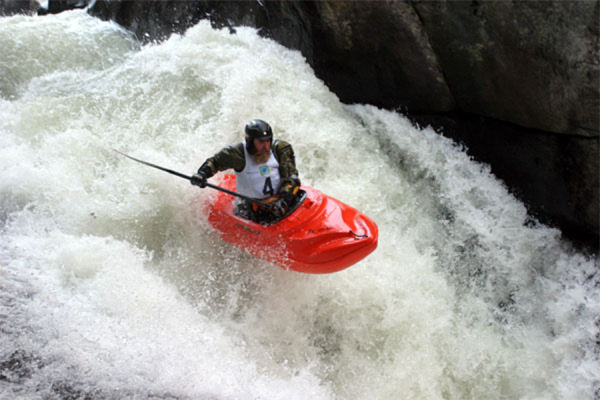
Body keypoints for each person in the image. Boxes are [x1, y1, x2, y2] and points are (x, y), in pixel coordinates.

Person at [191, 119, 301, 223]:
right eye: (261, 142)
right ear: (250, 142)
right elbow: (214, 163)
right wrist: (202, 174)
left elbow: (292, 178)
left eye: (268, 141)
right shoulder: (238, 154)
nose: (265, 146)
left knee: (294, 182)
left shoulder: (279, 149)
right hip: (253, 207)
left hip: (282, 199)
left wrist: (284, 201)